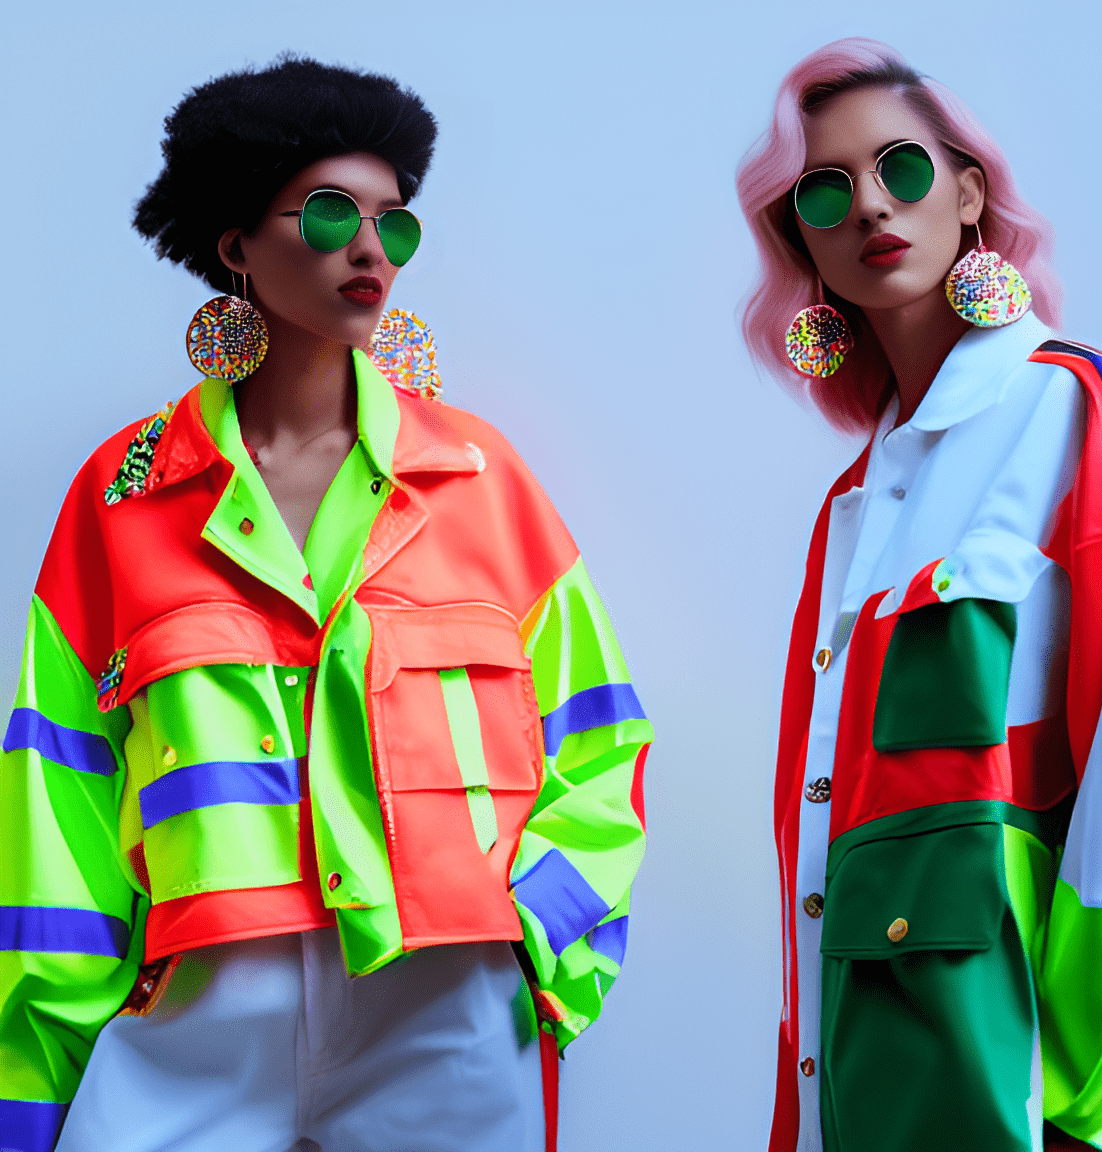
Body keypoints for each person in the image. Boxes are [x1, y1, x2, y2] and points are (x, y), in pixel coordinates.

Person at [0, 56, 651, 1152]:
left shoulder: (480, 480)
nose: (371, 249)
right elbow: (56, 794)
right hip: (200, 1008)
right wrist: (31, 1097)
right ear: (236, 245)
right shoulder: (122, 496)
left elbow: (600, 738)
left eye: (395, 224)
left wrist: (530, 949)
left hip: (442, 1003)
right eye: (332, 213)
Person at [735, 37, 1102, 1152]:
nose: (869, 206)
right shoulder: (851, 510)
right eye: (824, 192)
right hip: (886, 1094)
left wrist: (1077, 1089)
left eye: (901, 168)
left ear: (970, 192)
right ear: (803, 243)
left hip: (1045, 1099)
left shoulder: (1076, 408)